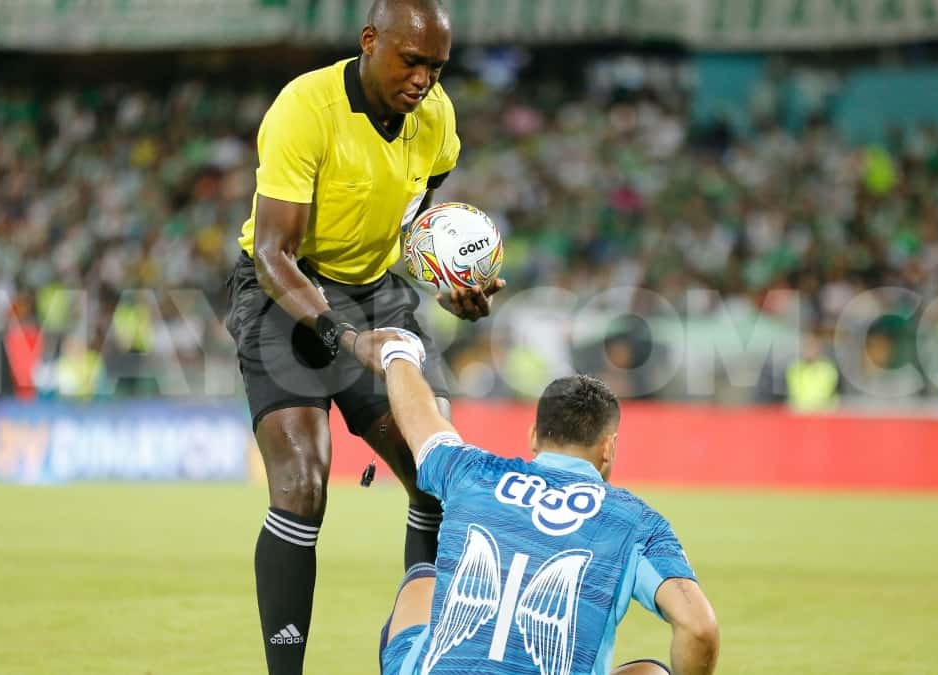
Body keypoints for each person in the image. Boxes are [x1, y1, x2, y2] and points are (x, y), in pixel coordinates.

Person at [221, 2, 503, 673]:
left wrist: (447, 282)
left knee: (438, 476)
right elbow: (272, 252)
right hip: (280, 291)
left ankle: (421, 658)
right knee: (301, 483)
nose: (424, 81)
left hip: (376, 288)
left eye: (437, 66)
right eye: (411, 61)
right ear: (370, 41)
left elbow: (412, 221)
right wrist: (346, 338)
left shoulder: (436, 120)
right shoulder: (305, 107)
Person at [357, 330, 720, 675]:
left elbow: (421, 419)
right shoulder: (636, 521)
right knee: (652, 672)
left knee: (423, 579)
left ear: (533, 436)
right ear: (608, 448)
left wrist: (399, 351)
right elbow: (699, 628)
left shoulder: (472, 472)